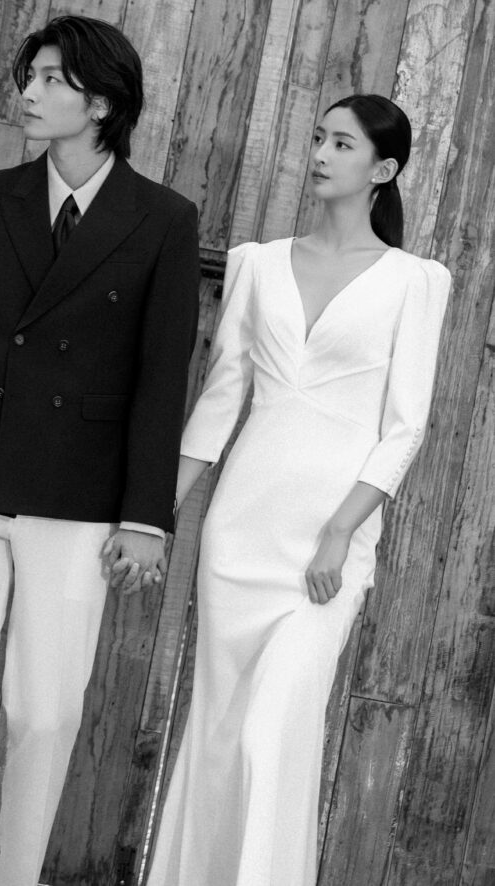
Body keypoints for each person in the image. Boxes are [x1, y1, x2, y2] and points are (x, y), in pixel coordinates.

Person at [0, 15, 199, 886]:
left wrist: (146, 517)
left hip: (78, 498)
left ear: (101, 103)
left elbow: (161, 379)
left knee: (45, 712)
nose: (28, 93)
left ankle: (17, 875)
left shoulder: (162, 220)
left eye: (51, 80)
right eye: (28, 76)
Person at [145, 94, 451, 886]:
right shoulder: (257, 263)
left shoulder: (417, 282)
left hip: (327, 540)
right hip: (240, 528)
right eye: (319, 138)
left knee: (272, 731)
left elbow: (406, 428)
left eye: (342, 144)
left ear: (384, 169)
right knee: (219, 730)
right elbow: (221, 401)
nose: (320, 153)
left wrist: (341, 531)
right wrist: (155, 516)